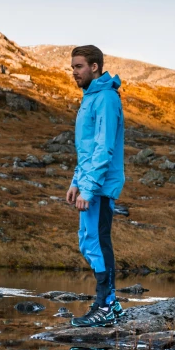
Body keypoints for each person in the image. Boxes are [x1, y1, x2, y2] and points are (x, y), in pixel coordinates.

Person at [66, 45, 125, 328]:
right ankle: (106, 302)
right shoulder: (91, 98)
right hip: (90, 182)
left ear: (95, 67)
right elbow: (86, 149)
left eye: (78, 67)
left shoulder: (106, 99)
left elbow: (104, 148)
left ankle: (107, 305)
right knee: (88, 242)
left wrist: (88, 189)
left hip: (100, 186)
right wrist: (76, 182)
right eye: (73, 67)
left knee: (99, 242)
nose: (73, 72)